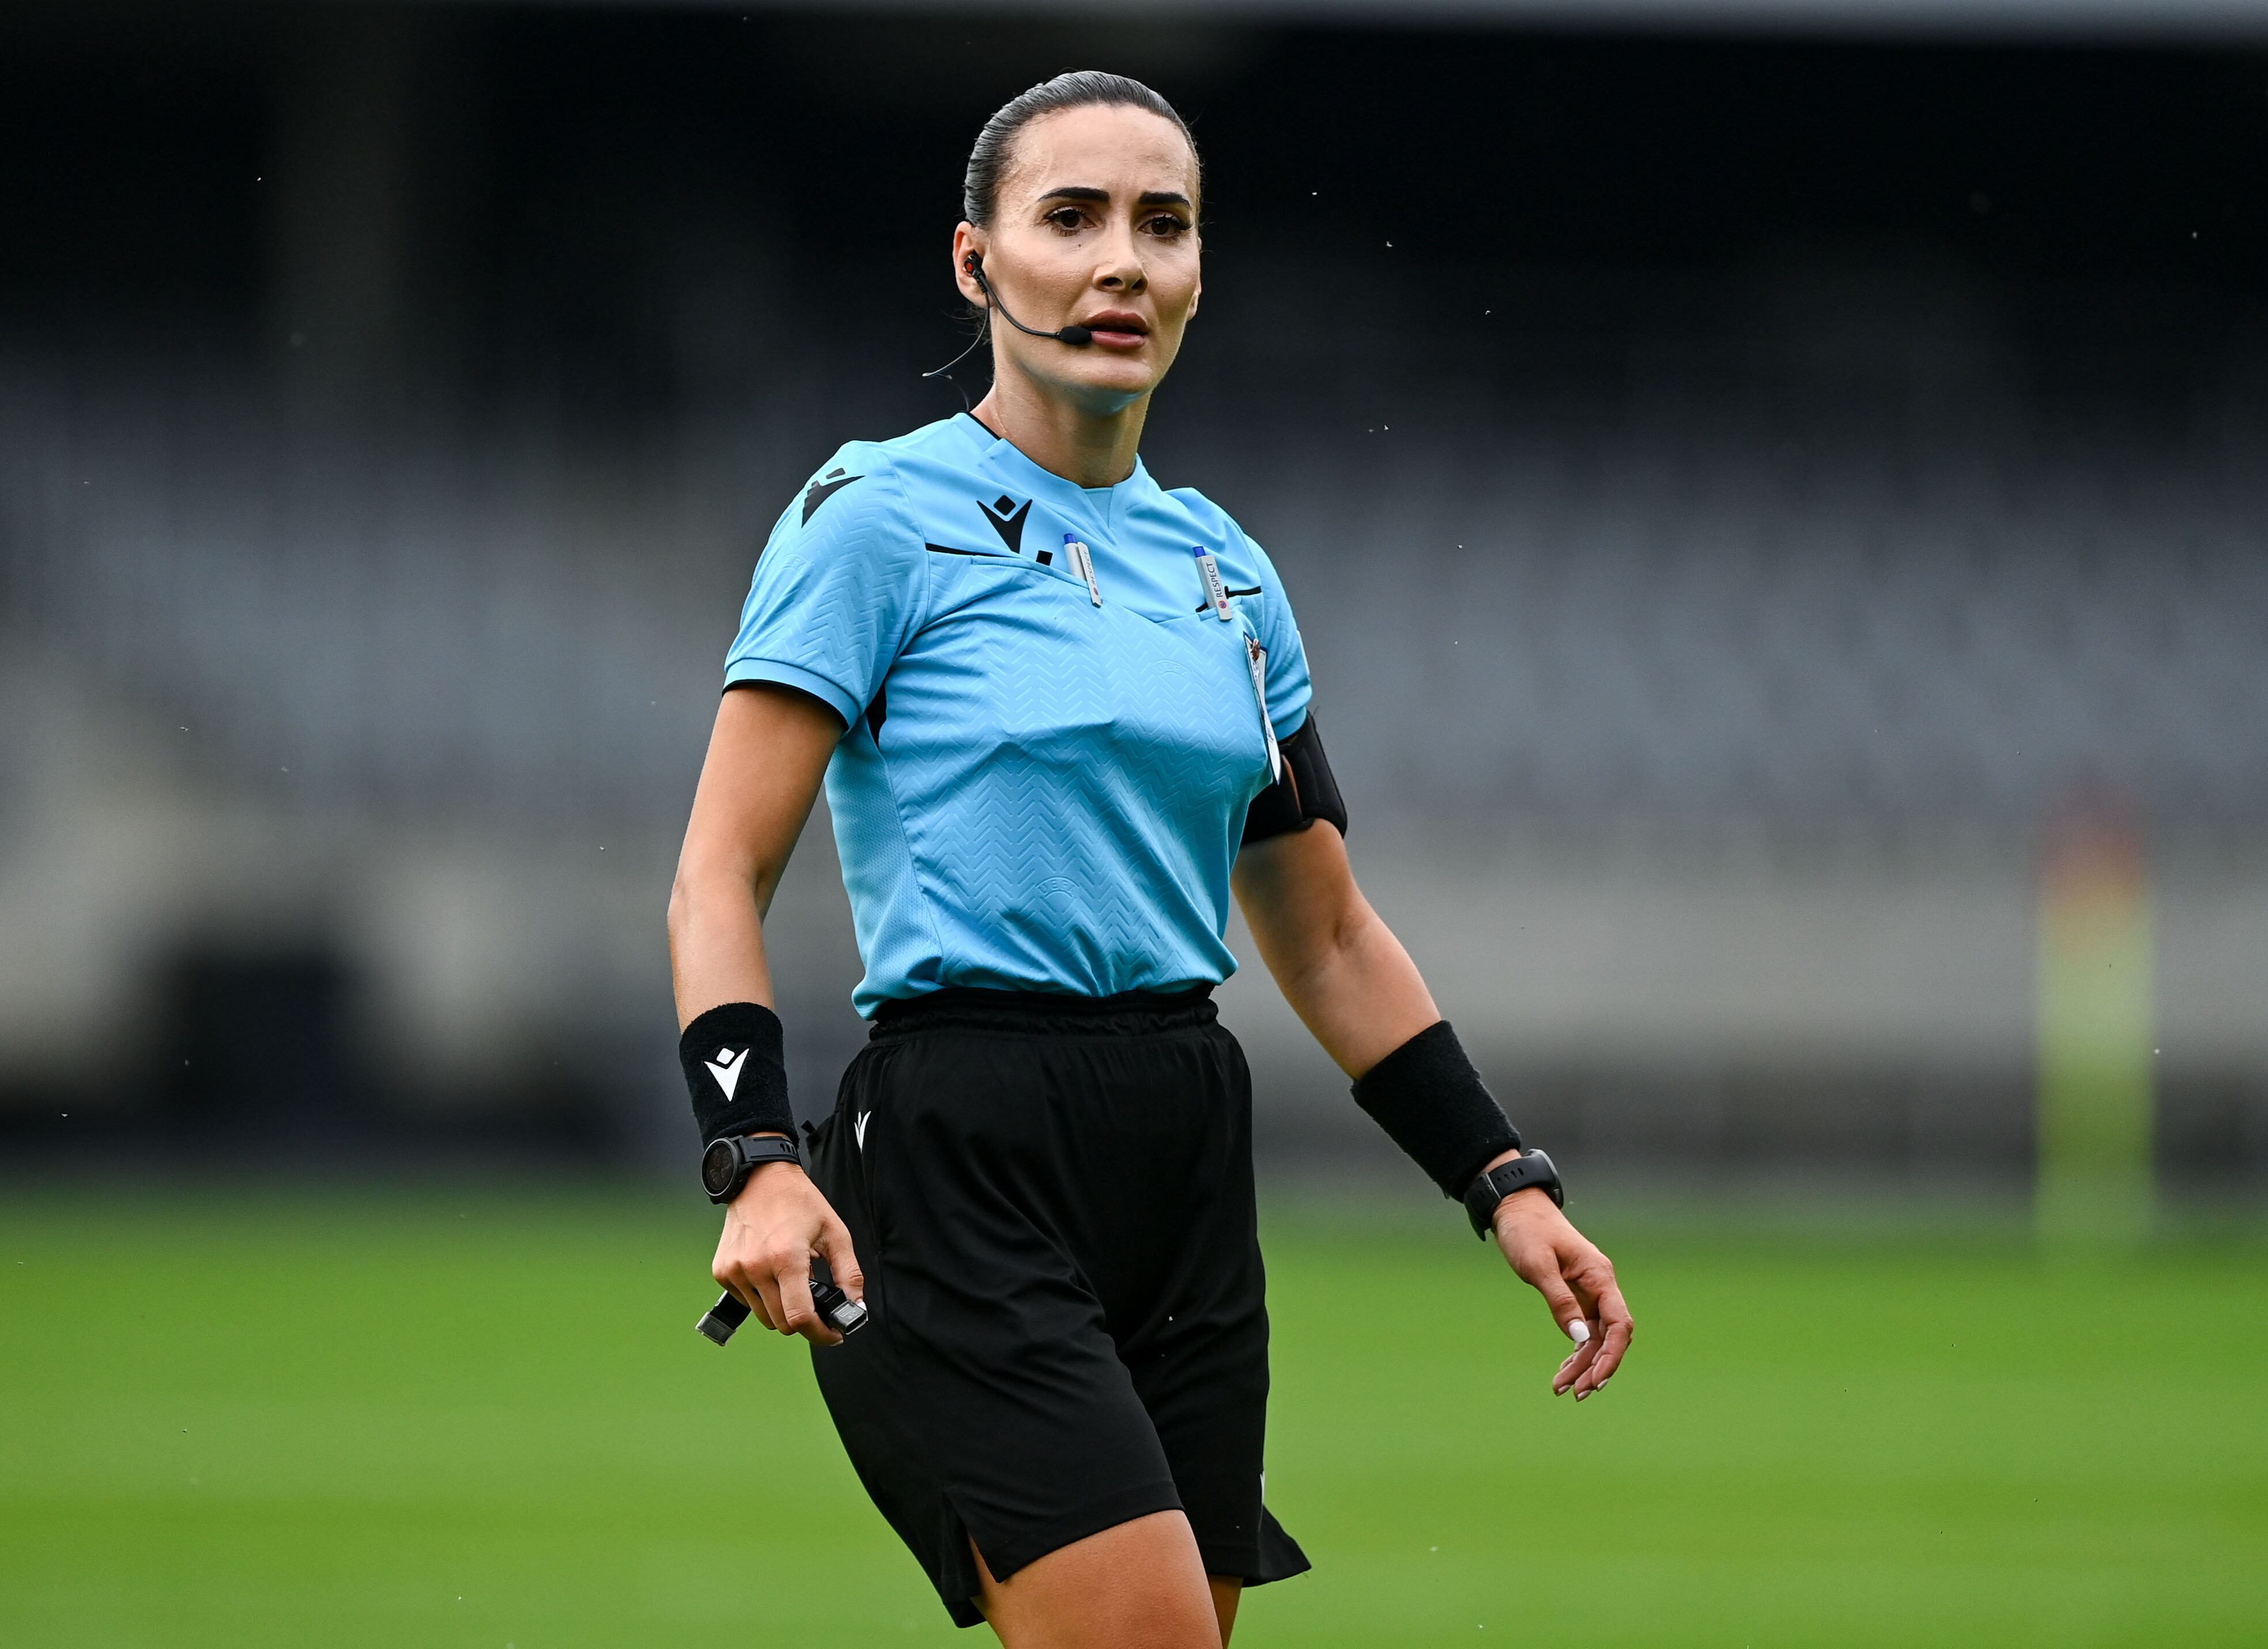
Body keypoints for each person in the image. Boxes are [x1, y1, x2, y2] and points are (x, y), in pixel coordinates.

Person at [666, 70, 1634, 1648]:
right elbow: (719, 873)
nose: (1122, 261)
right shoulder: (873, 517)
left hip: (1184, 1144)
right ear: (976, 262)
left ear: (1196, 272)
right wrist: (755, 1156)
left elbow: (1326, 936)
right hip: (963, 1147)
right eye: (1072, 218)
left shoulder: (1226, 570)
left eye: (1161, 225)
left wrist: (1502, 1179)